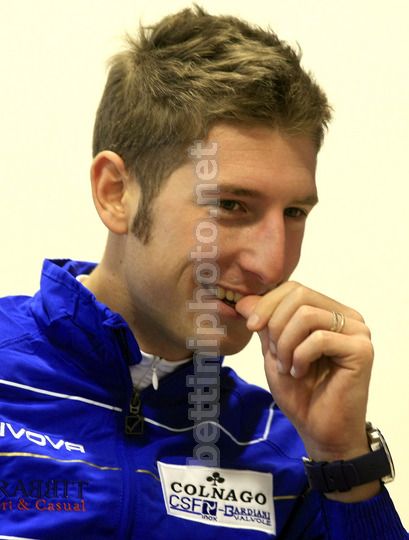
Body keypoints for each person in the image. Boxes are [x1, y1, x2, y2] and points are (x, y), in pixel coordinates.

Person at [0, 5, 407, 539]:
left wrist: (343, 458)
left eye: (294, 213)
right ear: (116, 193)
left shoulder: (285, 453)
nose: (272, 263)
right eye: (231, 205)